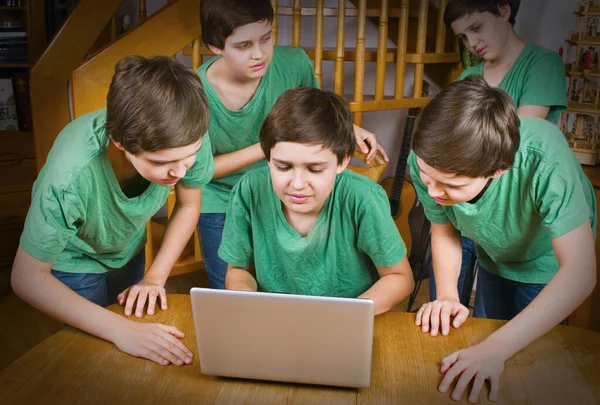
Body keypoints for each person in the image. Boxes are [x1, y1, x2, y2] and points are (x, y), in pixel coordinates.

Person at [11, 55, 215, 366]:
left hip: (127, 248)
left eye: (190, 157)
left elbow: (189, 203)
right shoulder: (70, 177)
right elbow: (26, 277)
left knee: (134, 345)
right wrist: (121, 331)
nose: (181, 172)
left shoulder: (187, 135)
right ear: (120, 142)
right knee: (93, 356)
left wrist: (155, 277)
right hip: (74, 260)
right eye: (161, 163)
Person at [410, 75, 596, 403]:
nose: (433, 191)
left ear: (498, 170)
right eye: (427, 178)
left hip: (548, 264)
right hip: (494, 251)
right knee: (486, 335)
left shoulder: (546, 158)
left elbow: (580, 273)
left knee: (529, 362)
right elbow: (444, 230)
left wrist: (496, 349)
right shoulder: (428, 159)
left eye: (450, 187)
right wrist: (450, 296)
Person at [197, 0, 388, 289]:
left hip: (283, 187)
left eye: (266, 38)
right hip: (220, 197)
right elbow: (203, 171)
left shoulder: (293, 62)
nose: (259, 54)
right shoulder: (195, 93)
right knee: (232, 292)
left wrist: (345, 127)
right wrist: (272, 146)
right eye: (243, 45)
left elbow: (310, 112)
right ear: (215, 46)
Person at [219, 87, 413, 315]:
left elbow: (400, 278)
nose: (298, 184)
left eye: (315, 169)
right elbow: (239, 270)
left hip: (346, 324)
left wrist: (346, 316)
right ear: (268, 157)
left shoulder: (363, 197)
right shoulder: (248, 190)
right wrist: (246, 298)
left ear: (343, 162)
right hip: (274, 321)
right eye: (283, 167)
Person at [430, 0, 569, 306]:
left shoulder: (541, 63)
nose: (472, 42)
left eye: (476, 28)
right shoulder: (469, 75)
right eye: (463, 37)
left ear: (504, 11)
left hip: (521, 212)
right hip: (474, 207)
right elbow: (447, 141)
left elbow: (517, 138)